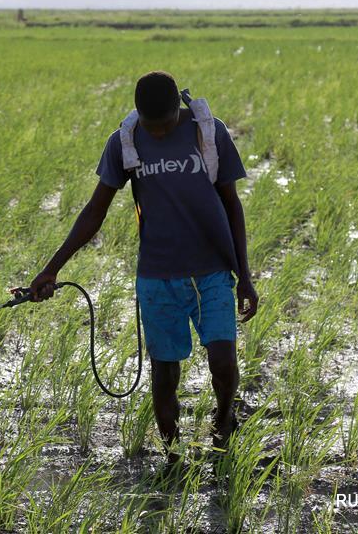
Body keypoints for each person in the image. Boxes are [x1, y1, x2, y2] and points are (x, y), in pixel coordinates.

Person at [28, 70, 258, 473]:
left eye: (165, 124)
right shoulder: (125, 142)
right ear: (137, 115)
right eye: (149, 126)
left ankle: (223, 421)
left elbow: (232, 205)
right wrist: (51, 269)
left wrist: (246, 275)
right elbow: (95, 211)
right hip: (158, 276)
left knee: (223, 363)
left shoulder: (208, 132)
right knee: (164, 372)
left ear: (179, 111)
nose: (157, 132)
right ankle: (174, 456)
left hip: (212, 271)